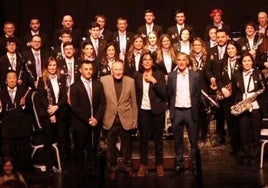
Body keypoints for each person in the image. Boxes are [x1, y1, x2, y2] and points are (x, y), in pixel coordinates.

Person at [100, 61, 137, 180]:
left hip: (125, 117)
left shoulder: (130, 81)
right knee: (110, 146)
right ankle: (113, 168)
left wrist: (134, 119)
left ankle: (127, 166)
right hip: (109, 117)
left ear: (123, 70)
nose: (118, 72)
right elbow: (100, 101)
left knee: (127, 145)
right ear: (112, 70)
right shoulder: (103, 80)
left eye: (120, 69)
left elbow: (134, 102)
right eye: (116, 69)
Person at [70, 60, 106, 178]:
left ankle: (92, 170)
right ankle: (80, 172)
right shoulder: (74, 86)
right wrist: (88, 120)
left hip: (95, 123)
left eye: (90, 69)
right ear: (80, 70)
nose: (88, 71)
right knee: (79, 149)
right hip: (81, 124)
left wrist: (96, 118)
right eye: (86, 69)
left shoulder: (98, 84)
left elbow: (102, 103)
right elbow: (75, 106)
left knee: (93, 147)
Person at [167, 52, 201, 176]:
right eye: (179, 60)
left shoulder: (195, 76)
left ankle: (195, 166)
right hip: (177, 112)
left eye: (183, 60)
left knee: (193, 141)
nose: (181, 62)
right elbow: (170, 94)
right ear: (176, 61)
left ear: (187, 62)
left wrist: (194, 108)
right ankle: (179, 164)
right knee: (178, 141)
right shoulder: (171, 76)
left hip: (190, 111)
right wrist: (172, 111)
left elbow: (197, 95)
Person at [133, 52, 166, 177]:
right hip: (143, 111)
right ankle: (143, 165)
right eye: (144, 59)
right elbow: (134, 93)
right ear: (141, 63)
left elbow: (164, 93)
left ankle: (159, 165)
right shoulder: (137, 75)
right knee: (143, 139)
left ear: (153, 62)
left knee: (158, 139)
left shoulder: (159, 74)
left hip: (157, 111)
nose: (147, 61)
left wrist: (154, 81)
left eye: (149, 59)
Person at [232, 53, 265, 171]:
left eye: (248, 61)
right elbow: (235, 92)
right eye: (244, 61)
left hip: (255, 105)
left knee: (256, 132)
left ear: (252, 62)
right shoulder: (236, 75)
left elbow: (263, 90)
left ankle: (254, 156)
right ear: (241, 63)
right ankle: (245, 155)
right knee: (243, 132)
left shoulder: (259, 74)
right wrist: (239, 103)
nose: (246, 63)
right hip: (243, 105)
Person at [35, 57, 67, 173]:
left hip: (60, 112)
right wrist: (51, 112)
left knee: (62, 139)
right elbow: (42, 99)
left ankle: (61, 165)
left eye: (54, 65)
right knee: (48, 140)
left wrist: (57, 107)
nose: (52, 67)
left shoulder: (62, 79)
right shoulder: (41, 80)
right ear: (46, 67)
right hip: (47, 114)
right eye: (50, 65)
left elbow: (64, 97)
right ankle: (49, 166)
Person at [0, 71, 32, 170]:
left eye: (14, 78)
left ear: (17, 80)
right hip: (7, 131)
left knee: (23, 159)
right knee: (8, 157)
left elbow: (30, 110)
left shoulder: (24, 92)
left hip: (22, 130)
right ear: (6, 81)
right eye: (9, 78)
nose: (12, 80)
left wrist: (24, 105)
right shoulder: (1, 93)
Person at [204, 29, 229, 146]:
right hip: (215, 87)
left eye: (222, 37)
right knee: (219, 113)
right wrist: (211, 78)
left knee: (229, 112)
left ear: (227, 37)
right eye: (218, 37)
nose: (220, 39)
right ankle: (220, 136)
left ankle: (232, 138)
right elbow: (207, 69)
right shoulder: (211, 50)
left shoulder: (231, 49)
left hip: (228, 87)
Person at [216, 40, 241, 155]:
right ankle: (235, 148)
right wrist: (222, 89)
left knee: (239, 123)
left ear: (237, 50)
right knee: (230, 123)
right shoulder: (222, 62)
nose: (230, 51)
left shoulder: (242, 61)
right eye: (228, 49)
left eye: (233, 48)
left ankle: (242, 148)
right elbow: (218, 79)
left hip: (239, 97)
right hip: (226, 97)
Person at [189, 37, 210, 143]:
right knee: (194, 114)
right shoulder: (189, 58)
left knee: (204, 114)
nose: (197, 47)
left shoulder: (207, 58)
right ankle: (195, 135)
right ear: (192, 46)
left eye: (199, 45)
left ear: (202, 46)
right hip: (193, 90)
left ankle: (204, 135)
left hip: (205, 89)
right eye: (195, 45)